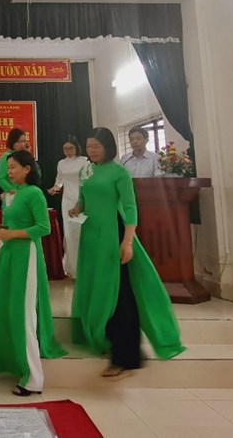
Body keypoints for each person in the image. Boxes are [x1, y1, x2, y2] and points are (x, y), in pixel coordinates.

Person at [70, 127, 184, 379]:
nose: (92, 151)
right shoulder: (86, 170)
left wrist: (128, 242)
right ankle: (109, 342)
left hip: (114, 237)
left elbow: (131, 209)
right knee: (98, 289)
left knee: (120, 296)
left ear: (108, 147)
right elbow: (83, 198)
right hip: (91, 238)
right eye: (89, 147)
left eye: (96, 146)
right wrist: (77, 207)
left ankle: (125, 357)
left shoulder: (119, 172)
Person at [0, 150, 67, 395]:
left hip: (26, 255)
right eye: (8, 167)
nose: (8, 172)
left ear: (27, 169)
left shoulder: (34, 193)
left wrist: (12, 234)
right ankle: (17, 364)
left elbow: (44, 227)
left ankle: (33, 379)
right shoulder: (15, 194)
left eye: (13, 167)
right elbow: (13, 224)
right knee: (5, 307)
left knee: (24, 314)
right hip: (10, 254)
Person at [47, 136, 88, 278]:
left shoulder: (84, 161)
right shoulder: (61, 163)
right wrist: (54, 188)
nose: (68, 151)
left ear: (77, 148)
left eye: (71, 148)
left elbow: (87, 181)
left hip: (81, 199)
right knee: (69, 233)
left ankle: (84, 268)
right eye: (65, 149)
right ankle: (72, 269)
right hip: (67, 200)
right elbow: (59, 181)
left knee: (81, 232)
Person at [0, 128, 40, 204]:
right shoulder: (7, 157)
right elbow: (0, 179)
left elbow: (37, 173)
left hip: (27, 195)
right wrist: (13, 191)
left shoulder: (25, 156)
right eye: (19, 142)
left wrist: (28, 155)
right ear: (13, 142)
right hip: (13, 197)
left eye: (24, 141)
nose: (22, 144)